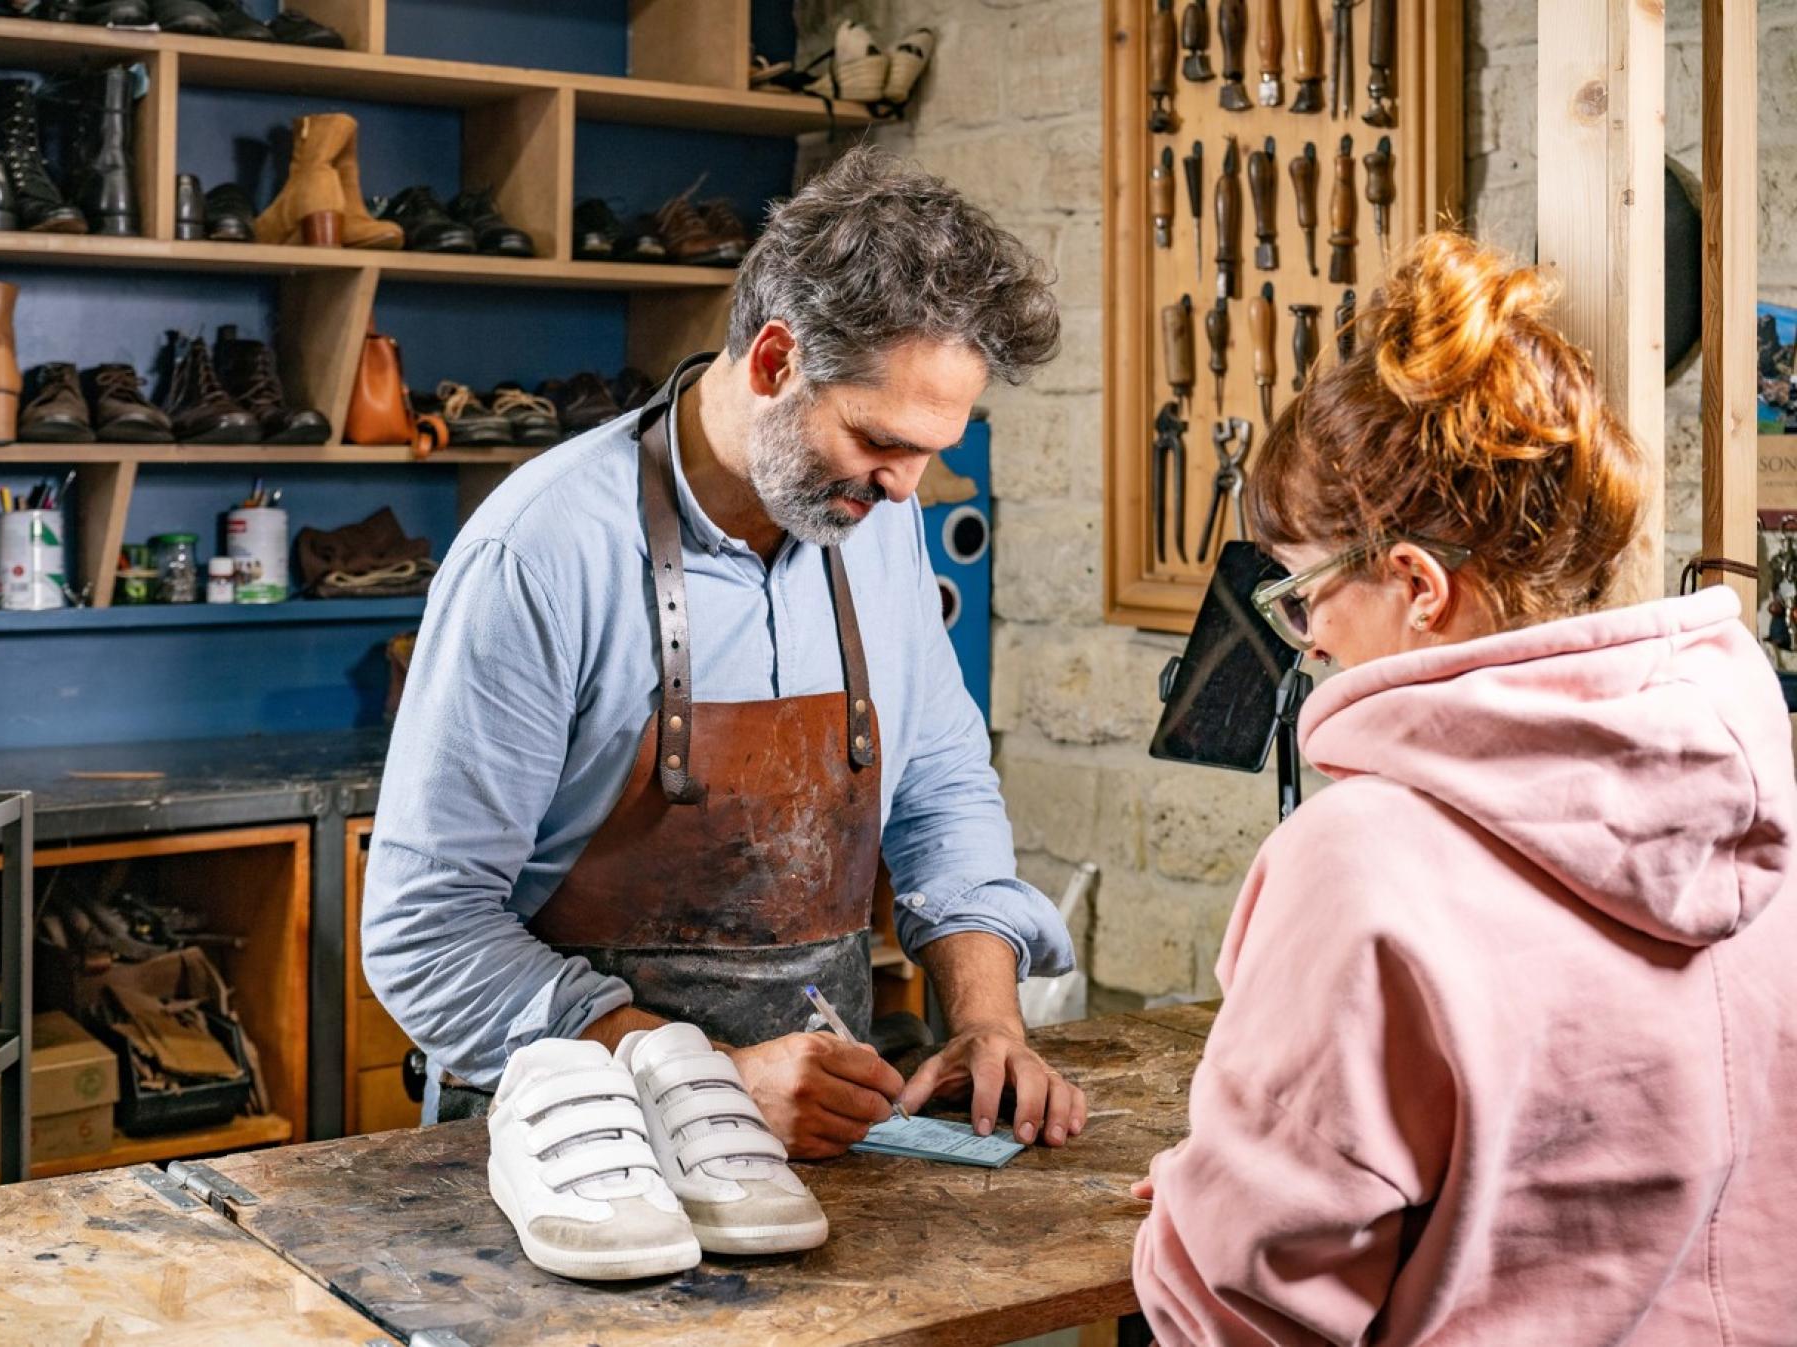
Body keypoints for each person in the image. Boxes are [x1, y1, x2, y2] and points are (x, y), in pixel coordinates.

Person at [1132, 232, 1797, 1342]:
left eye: (1302, 596)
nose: (1305, 639)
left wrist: (1192, 1223)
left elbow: (1245, 1294)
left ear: (1415, 585)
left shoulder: (1362, 860)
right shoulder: (1756, 794)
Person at [364, 146, 1089, 1157]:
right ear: (773, 361)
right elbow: (424, 934)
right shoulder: (542, 550)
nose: (904, 488)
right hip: (581, 1144)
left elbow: (937, 788)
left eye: (932, 450)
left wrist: (986, 1020)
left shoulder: (873, 522)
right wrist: (702, 1082)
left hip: (823, 1140)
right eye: (879, 440)